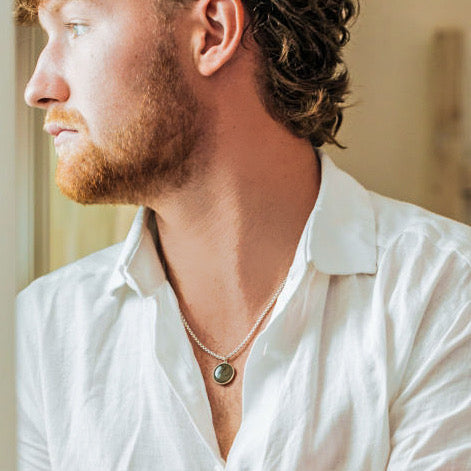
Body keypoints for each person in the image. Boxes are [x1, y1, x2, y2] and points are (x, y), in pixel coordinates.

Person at [15, 0, 471, 469]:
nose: (38, 87)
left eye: (76, 26)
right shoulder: (41, 332)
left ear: (213, 31)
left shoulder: (447, 295)